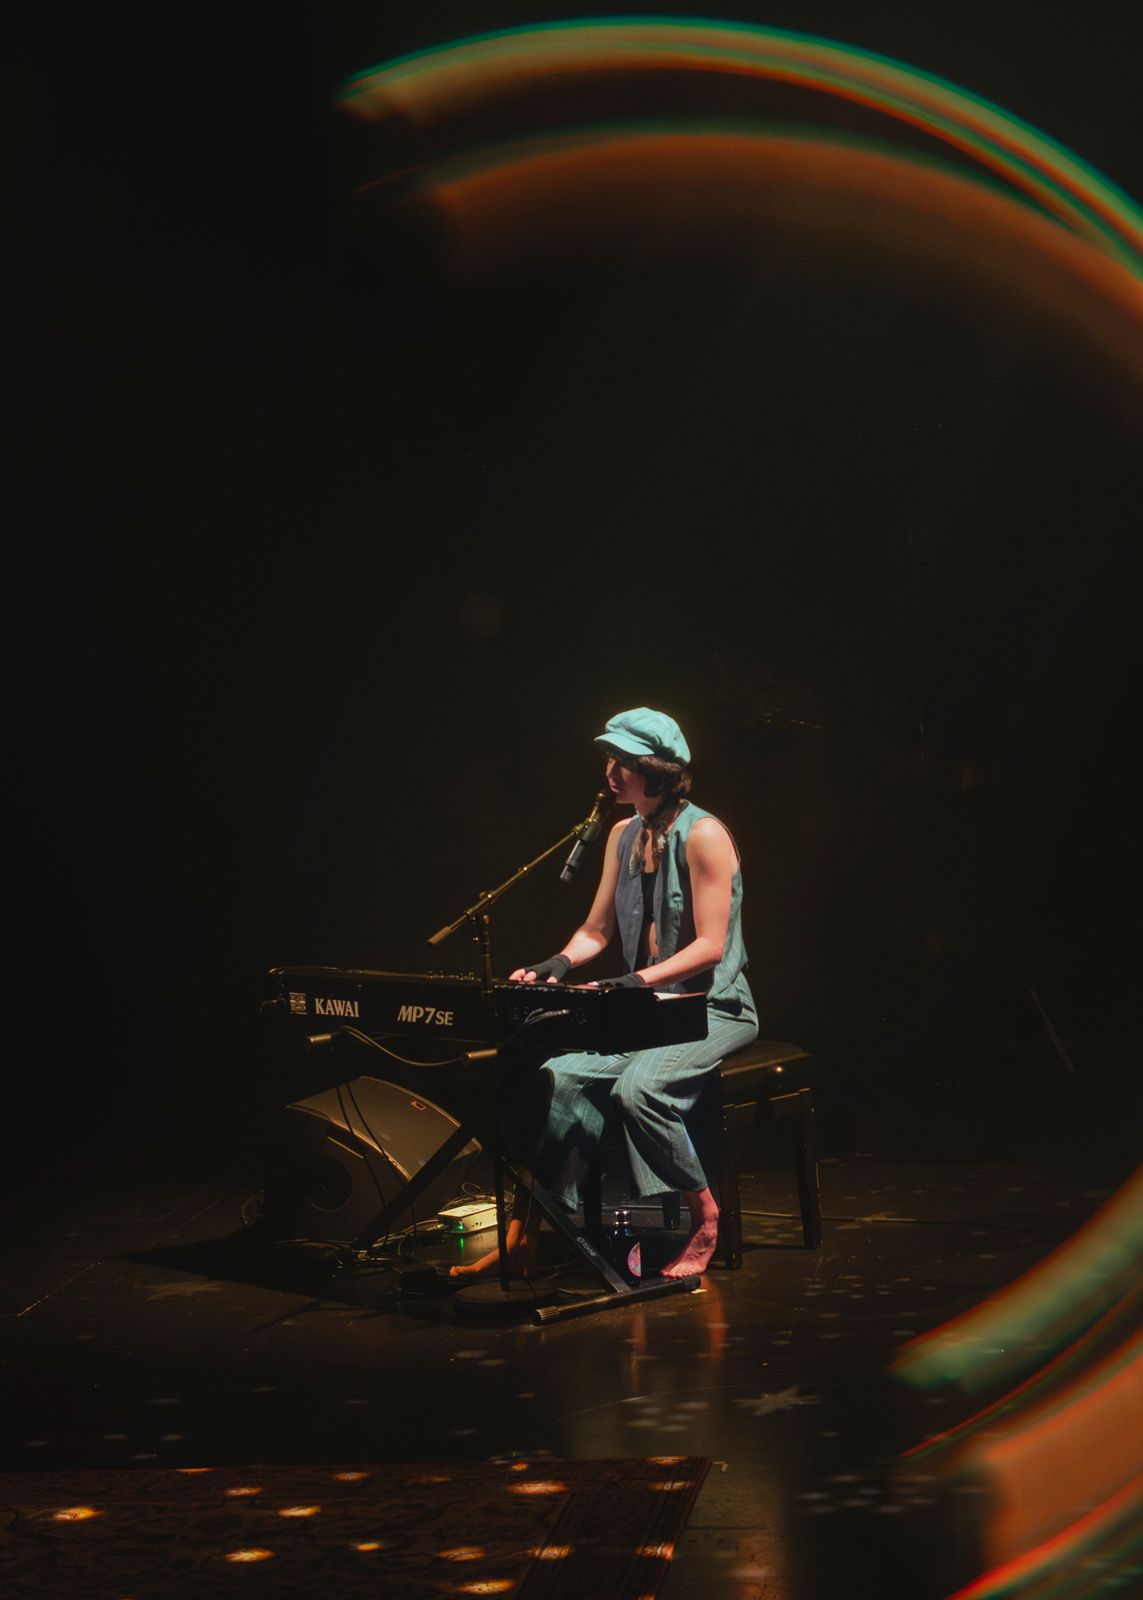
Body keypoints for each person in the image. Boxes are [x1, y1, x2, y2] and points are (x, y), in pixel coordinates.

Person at [453, 707, 758, 1281]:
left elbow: (711, 947)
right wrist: (557, 963)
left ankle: (704, 1216)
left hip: (713, 1009)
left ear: (657, 769)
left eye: (624, 760)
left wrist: (634, 980)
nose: (611, 771)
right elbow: (596, 931)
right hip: (647, 1010)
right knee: (558, 1077)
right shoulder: (622, 835)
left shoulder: (705, 835)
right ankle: (537, 1234)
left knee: (639, 1090)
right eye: (609, 759)